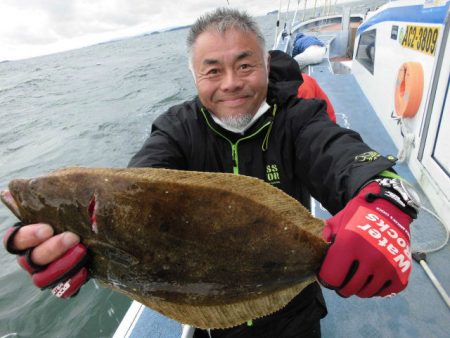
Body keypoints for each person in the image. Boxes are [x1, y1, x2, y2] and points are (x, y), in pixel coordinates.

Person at [3, 8, 419, 338]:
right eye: (213, 70)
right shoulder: (176, 128)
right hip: (212, 325)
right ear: (195, 76)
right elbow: (139, 185)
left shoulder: (297, 118)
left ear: (267, 67)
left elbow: (339, 154)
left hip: (295, 315)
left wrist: (385, 196)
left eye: (245, 66)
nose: (231, 84)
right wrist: (80, 263)